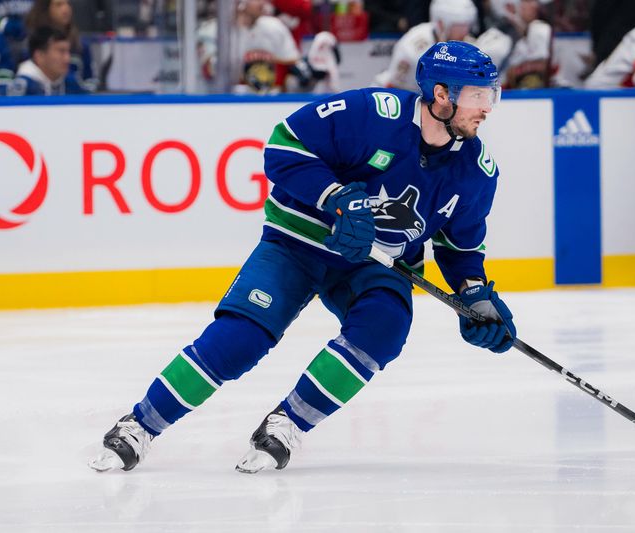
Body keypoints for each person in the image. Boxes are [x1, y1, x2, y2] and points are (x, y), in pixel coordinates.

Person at [89, 40, 518, 474]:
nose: (487, 108)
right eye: (477, 96)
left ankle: (286, 424)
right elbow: (284, 147)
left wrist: (473, 293)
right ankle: (140, 426)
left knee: (384, 329)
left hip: (377, 264)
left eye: (491, 96)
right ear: (441, 95)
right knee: (241, 339)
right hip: (298, 242)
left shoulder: (477, 170)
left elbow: (458, 245)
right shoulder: (372, 114)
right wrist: (336, 199)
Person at [374, 0, 478, 91]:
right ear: (441, 24)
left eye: (467, 25)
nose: (465, 32)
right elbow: (395, 91)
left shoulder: (468, 47)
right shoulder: (413, 50)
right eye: (459, 26)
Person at [24, 0, 94, 91]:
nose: (66, 9)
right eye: (59, 5)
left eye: (68, 4)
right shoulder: (30, 43)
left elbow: (91, 82)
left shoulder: (81, 45)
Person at [11, 25, 85, 94]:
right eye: (61, 51)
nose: (67, 58)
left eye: (68, 51)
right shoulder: (23, 89)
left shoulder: (72, 84)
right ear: (39, 56)